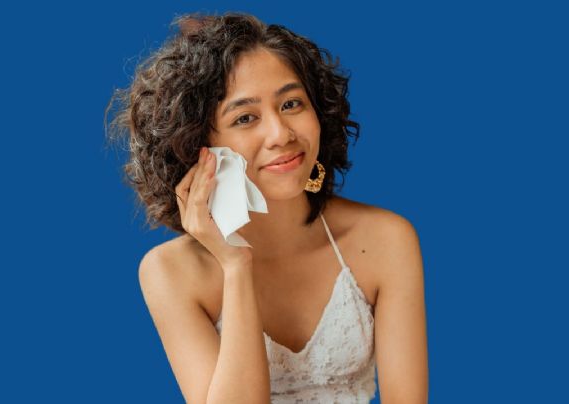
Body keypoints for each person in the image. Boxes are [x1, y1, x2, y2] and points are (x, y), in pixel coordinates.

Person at [105, 12, 428, 404]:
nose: (280, 134)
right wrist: (236, 265)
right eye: (245, 117)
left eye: (291, 103)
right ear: (197, 144)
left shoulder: (386, 239)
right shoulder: (169, 271)